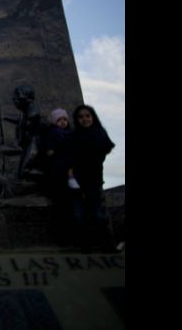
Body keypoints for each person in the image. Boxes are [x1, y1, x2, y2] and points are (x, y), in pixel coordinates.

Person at [71, 104, 117, 252]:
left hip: (93, 179)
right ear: (76, 120)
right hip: (76, 180)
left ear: (93, 117)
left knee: (98, 213)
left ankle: (107, 244)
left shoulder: (99, 133)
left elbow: (105, 149)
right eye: (80, 117)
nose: (84, 119)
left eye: (87, 116)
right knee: (79, 214)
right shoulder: (75, 136)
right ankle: (86, 245)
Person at [42, 108, 76, 243]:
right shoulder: (52, 134)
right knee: (62, 202)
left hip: (74, 171)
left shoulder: (72, 134)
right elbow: (49, 152)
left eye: (64, 119)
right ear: (55, 122)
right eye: (59, 120)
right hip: (58, 171)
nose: (62, 122)